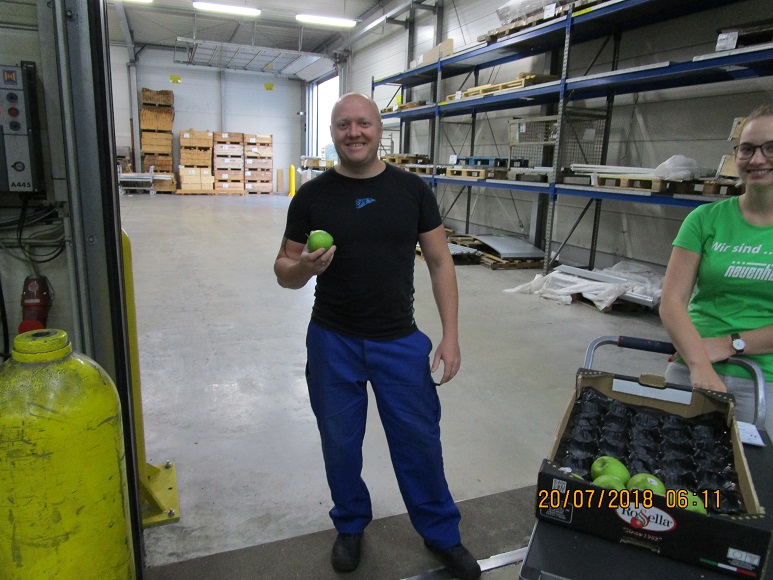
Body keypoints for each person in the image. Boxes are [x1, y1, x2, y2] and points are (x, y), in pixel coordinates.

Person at [273, 93, 481, 579]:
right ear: (333, 132)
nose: (354, 133)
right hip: (333, 340)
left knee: (419, 443)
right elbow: (284, 269)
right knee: (340, 444)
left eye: (363, 123)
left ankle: (442, 534)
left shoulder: (411, 190)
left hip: (398, 340)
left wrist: (450, 335)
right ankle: (350, 525)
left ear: (379, 129)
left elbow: (440, 262)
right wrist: (304, 269)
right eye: (344, 125)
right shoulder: (312, 197)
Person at [660, 104, 773, 434]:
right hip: (694, 365)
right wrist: (698, 364)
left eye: (770, 148)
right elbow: (672, 301)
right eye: (747, 149)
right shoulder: (704, 220)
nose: (757, 159)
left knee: (748, 464)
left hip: (763, 379)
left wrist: (729, 344)